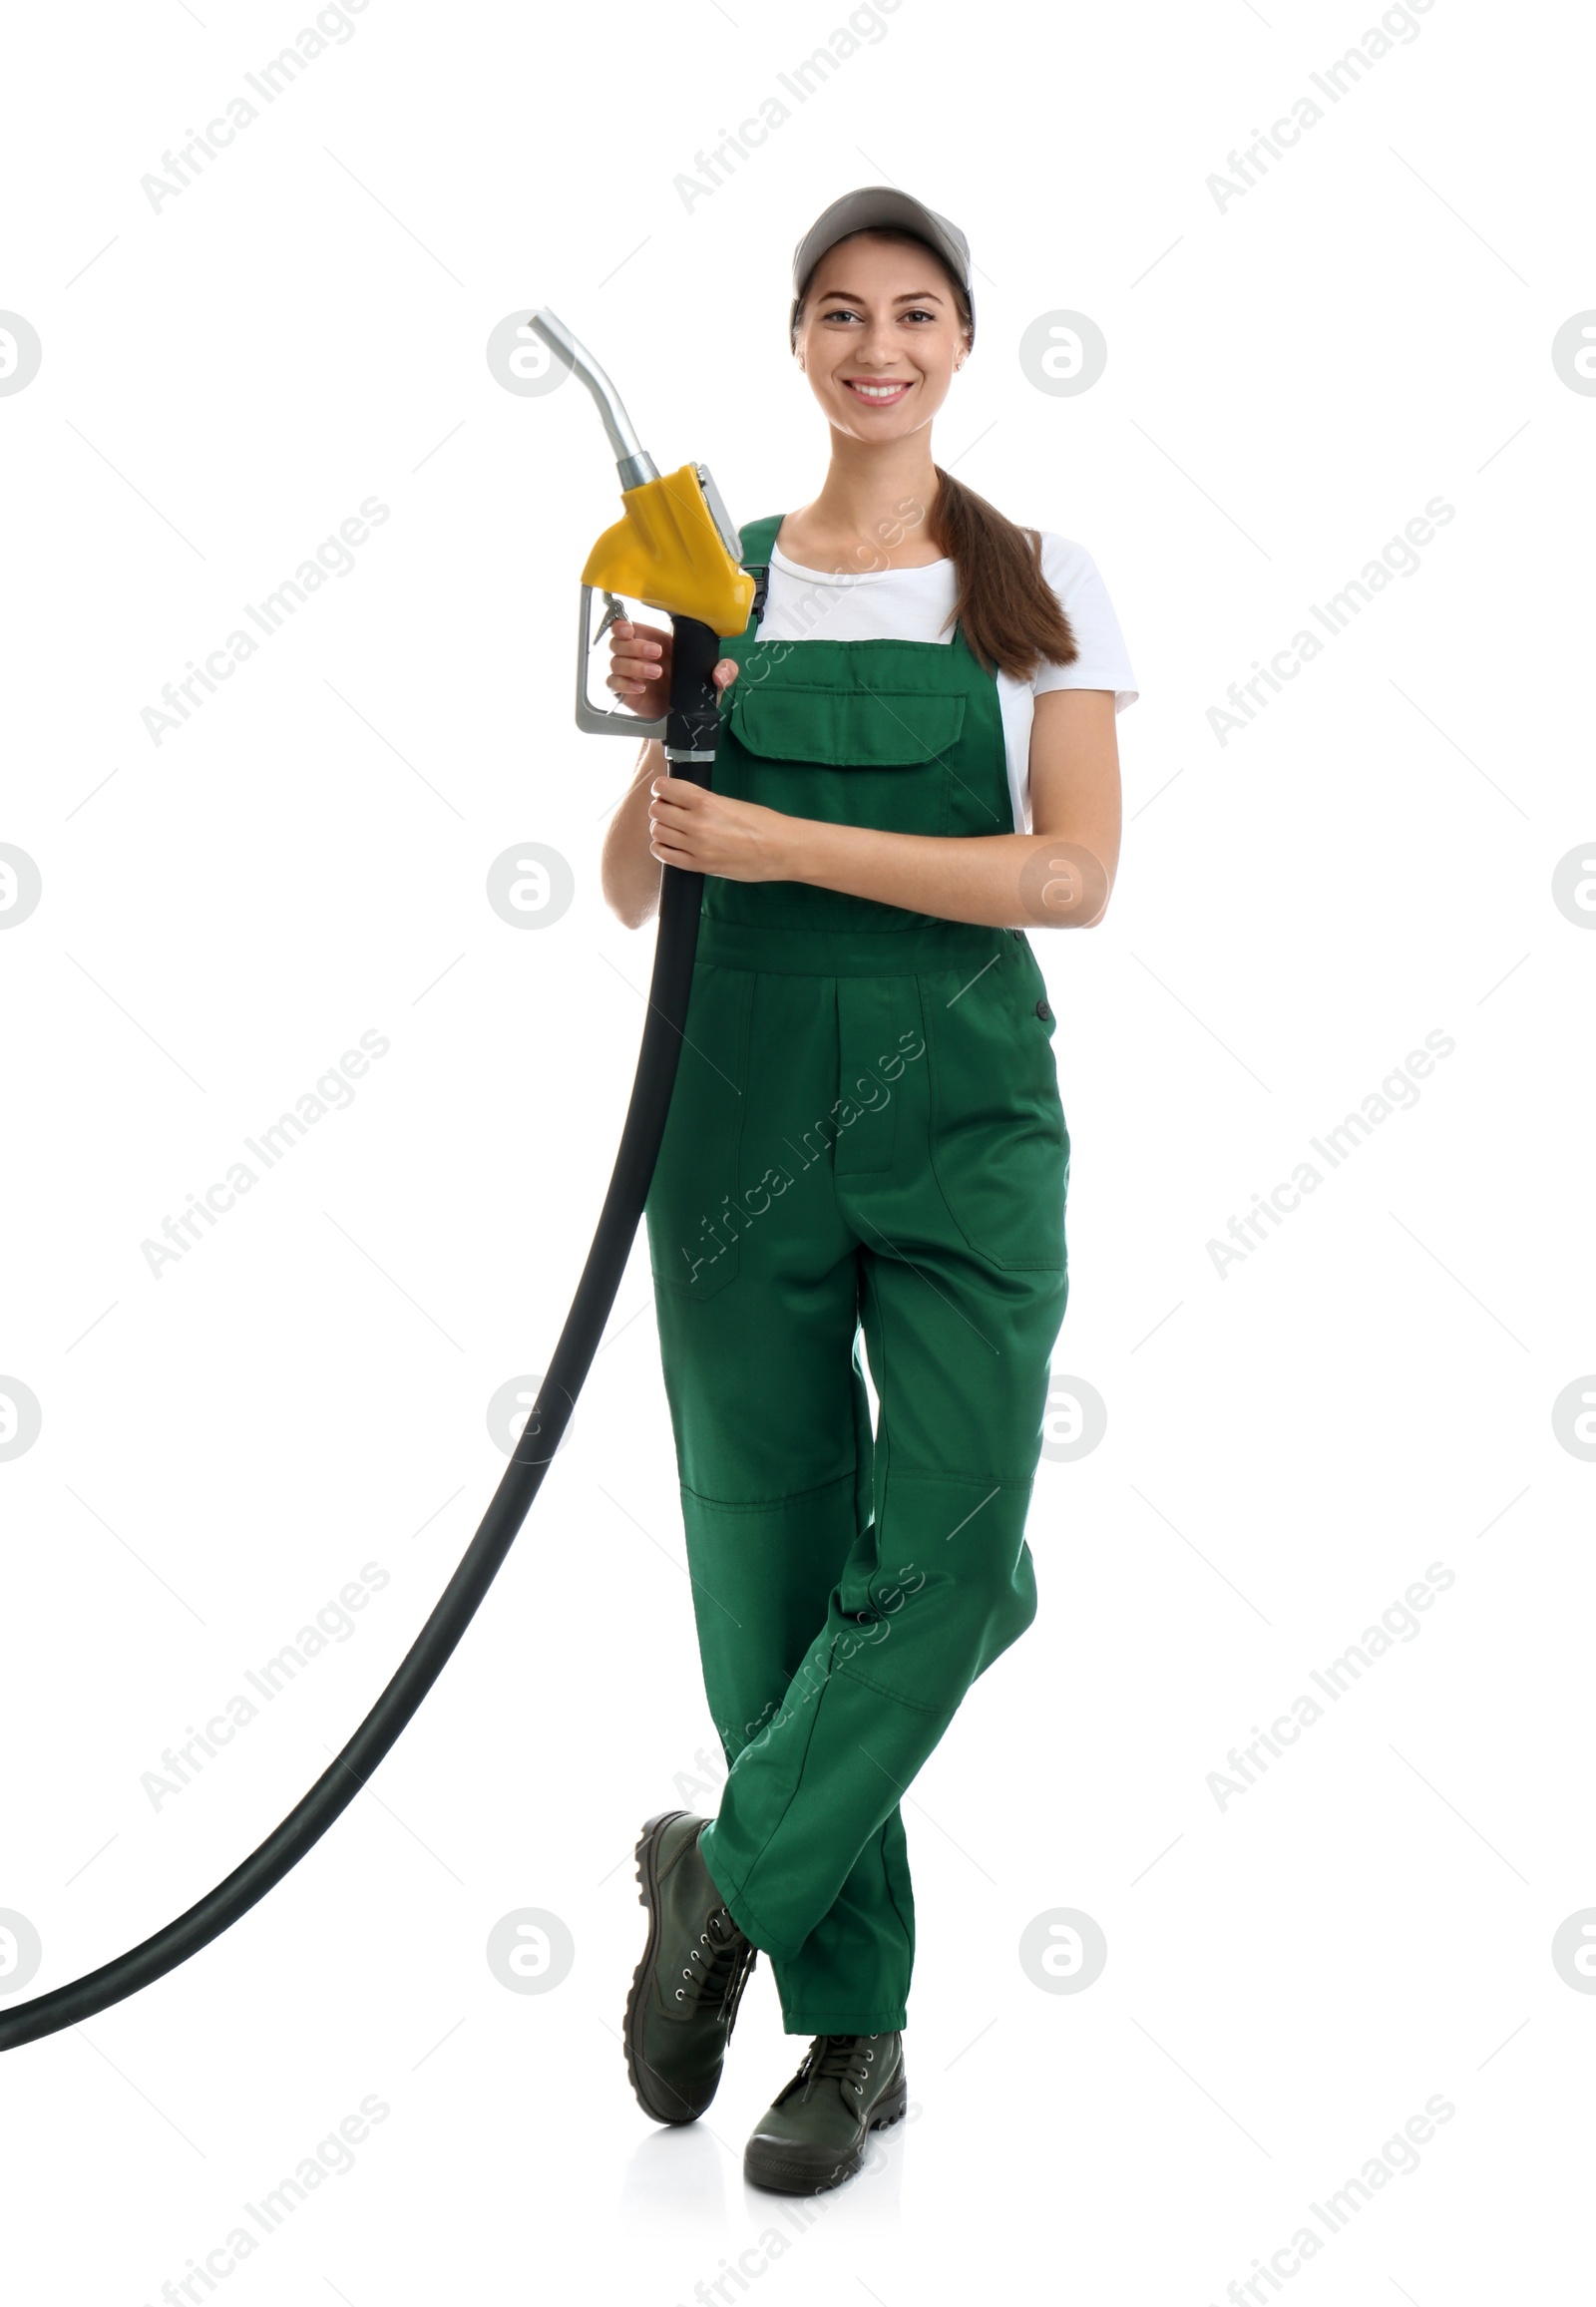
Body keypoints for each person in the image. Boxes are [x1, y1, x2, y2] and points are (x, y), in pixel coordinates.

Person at [598, 187, 1138, 2195]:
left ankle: (716, 1868)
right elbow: (636, 879)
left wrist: (783, 838)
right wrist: (671, 728)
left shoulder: (1039, 581)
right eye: (839, 313)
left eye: (913, 313)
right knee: (769, 1569)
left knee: (962, 1545)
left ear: (961, 340)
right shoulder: (723, 582)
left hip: (962, 1125)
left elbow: (1068, 876)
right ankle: (851, 2029)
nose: (875, 346)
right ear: (800, 341)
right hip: (728, 1124)